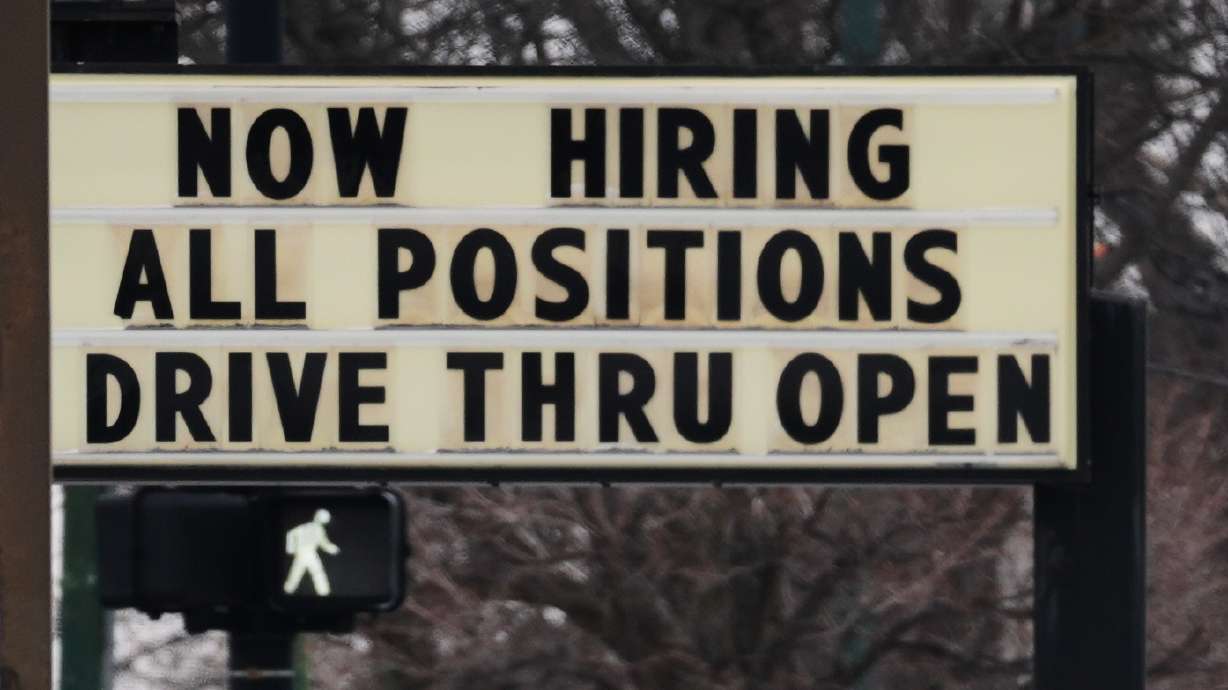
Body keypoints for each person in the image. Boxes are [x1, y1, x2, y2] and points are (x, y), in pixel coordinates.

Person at [283, 508, 341, 596]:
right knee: (317, 573)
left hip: (301, 554)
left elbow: (290, 533)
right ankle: (323, 592)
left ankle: (288, 590)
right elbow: (324, 544)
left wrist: (291, 549)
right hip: (309, 554)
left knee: (296, 573)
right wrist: (333, 549)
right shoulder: (318, 529)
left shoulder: (306, 527)